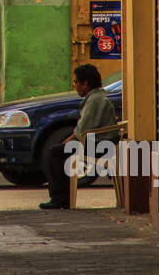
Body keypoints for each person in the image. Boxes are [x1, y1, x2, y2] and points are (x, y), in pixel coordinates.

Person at [39, 63, 118, 210]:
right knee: (59, 151)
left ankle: (60, 198)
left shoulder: (95, 100)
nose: (74, 86)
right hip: (99, 142)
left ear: (85, 84)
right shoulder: (96, 97)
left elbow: (82, 130)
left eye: (76, 82)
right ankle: (62, 196)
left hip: (99, 145)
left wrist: (67, 141)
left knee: (54, 153)